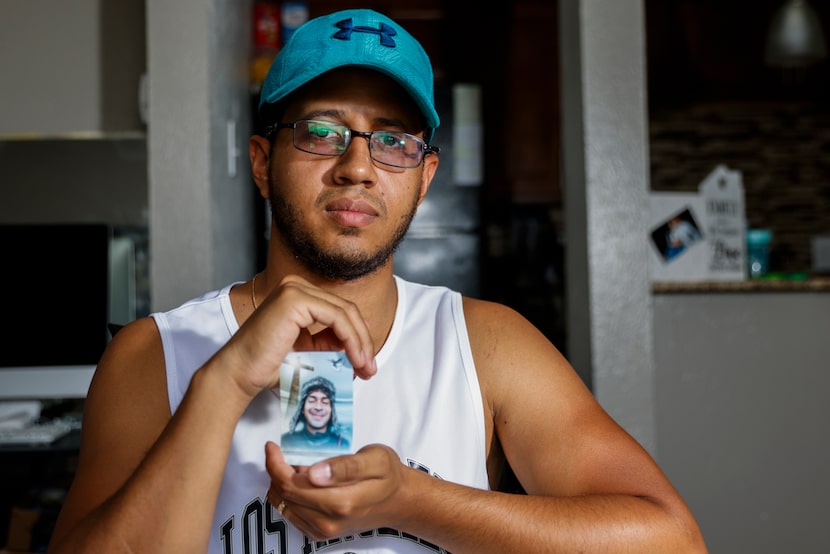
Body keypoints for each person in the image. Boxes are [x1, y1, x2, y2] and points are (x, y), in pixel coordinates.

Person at [47, 8, 707, 554]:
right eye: (322, 132)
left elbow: (671, 539)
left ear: (423, 178)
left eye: (393, 142)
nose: (357, 166)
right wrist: (223, 383)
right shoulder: (153, 353)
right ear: (260, 162)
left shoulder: (485, 344)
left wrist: (414, 502)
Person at [281, 376, 350, 453]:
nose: (318, 407)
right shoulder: (286, 441)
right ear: (302, 408)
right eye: (311, 400)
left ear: (332, 411)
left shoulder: (343, 445)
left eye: (325, 402)